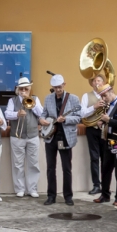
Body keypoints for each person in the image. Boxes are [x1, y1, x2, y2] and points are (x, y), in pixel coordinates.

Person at [40, 74, 80, 205]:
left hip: (65, 137)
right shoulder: (48, 99)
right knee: (50, 168)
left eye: (60, 86)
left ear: (64, 84)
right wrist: (41, 120)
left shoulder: (73, 99)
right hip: (51, 137)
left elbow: (78, 117)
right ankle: (51, 196)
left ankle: (68, 196)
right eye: (55, 87)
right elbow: (44, 113)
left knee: (66, 168)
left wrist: (66, 119)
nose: (58, 89)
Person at [4, 78, 44, 197]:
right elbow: (7, 114)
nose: (24, 90)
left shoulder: (35, 99)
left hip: (32, 136)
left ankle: (32, 189)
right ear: (18, 90)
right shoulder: (13, 100)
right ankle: (20, 189)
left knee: (33, 163)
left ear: (29, 89)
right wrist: (16, 114)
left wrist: (32, 104)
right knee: (17, 164)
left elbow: (41, 113)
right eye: (21, 88)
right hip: (17, 136)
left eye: (26, 88)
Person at [80, 74, 107, 195]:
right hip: (92, 129)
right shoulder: (86, 96)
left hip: (104, 129)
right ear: (92, 83)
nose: (97, 83)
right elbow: (82, 113)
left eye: (100, 81)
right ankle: (96, 185)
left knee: (105, 158)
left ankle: (106, 185)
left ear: (103, 83)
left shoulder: (108, 95)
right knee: (94, 158)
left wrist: (104, 120)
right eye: (95, 81)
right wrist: (94, 106)